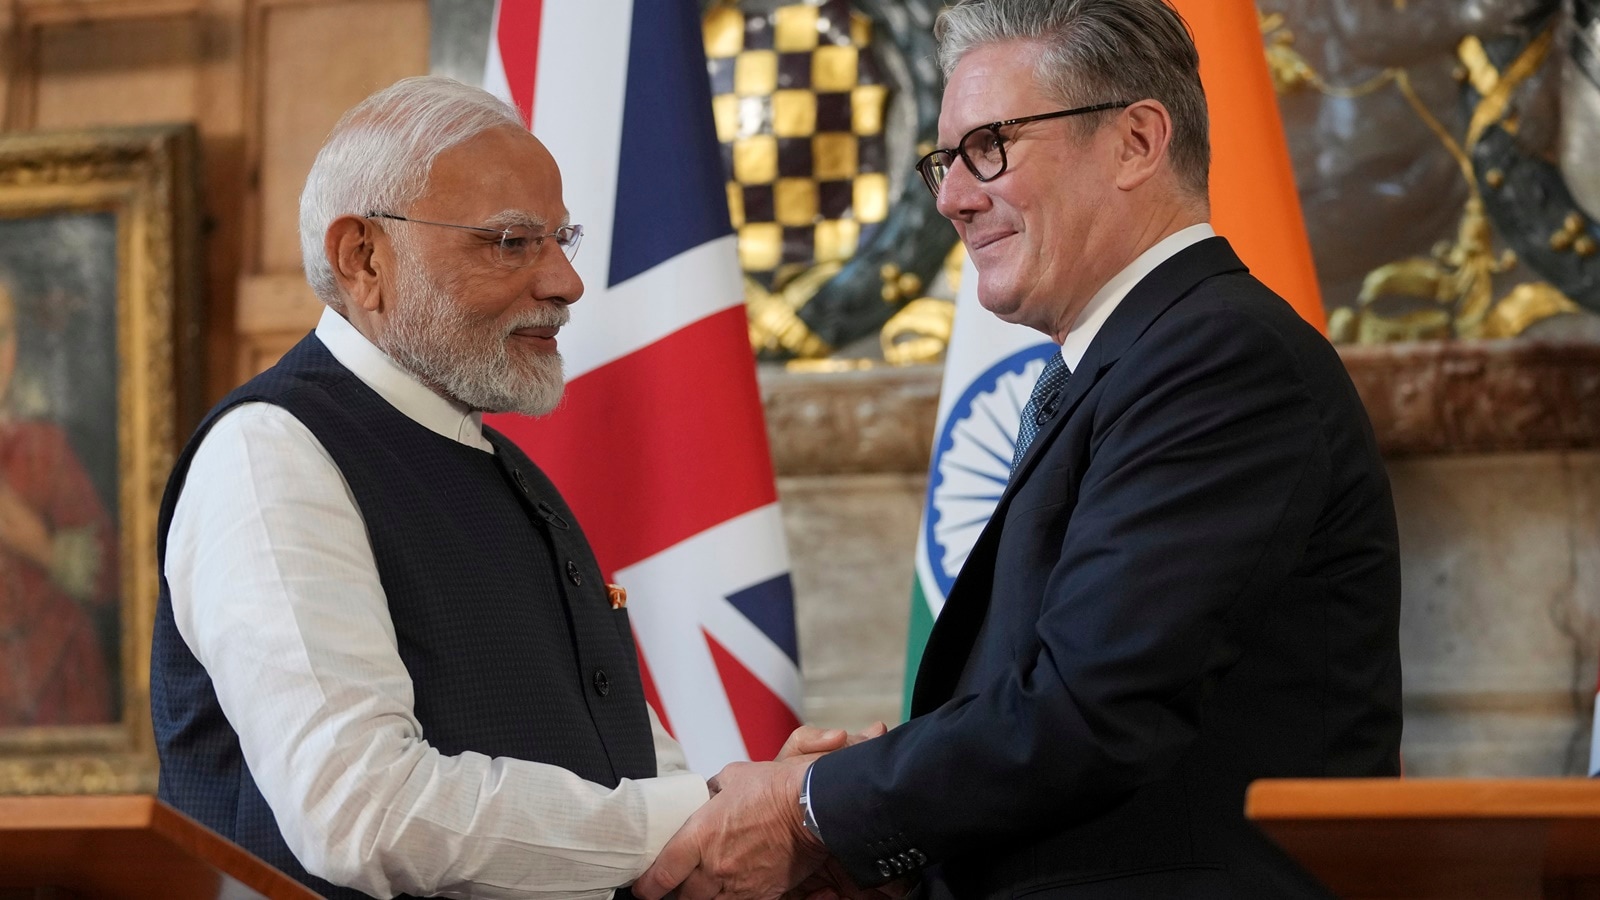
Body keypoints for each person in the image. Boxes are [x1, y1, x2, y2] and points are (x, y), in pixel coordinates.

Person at [635, 1, 1403, 898]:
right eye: (945, 161)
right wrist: (880, 845)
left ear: (1137, 141)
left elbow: (1089, 712)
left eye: (992, 146)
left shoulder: (1219, 360)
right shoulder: (1138, 357)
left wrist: (811, 807)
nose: (954, 198)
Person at [151, 76, 718, 900]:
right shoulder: (272, 453)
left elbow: (616, 758)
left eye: (563, 239)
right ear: (364, 258)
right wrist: (697, 821)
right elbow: (360, 812)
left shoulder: (505, 469)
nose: (565, 282)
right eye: (511, 242)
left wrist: (744, 818)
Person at [0, 280, 117, 726]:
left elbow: (114, 575)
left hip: (57, 685)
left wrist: (42, 547)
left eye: (2, 334)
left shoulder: (42, 447)